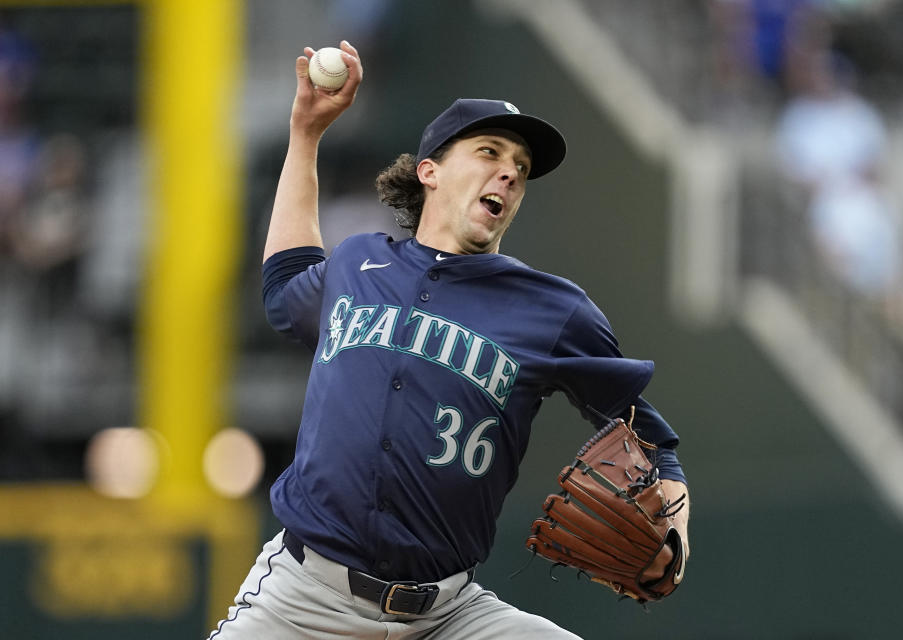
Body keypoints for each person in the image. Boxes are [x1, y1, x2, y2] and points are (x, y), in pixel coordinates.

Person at [209, 41, 690, 640]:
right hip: (304, 603)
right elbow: (285, 286)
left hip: (449, 617)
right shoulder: (360, 263)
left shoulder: (553, 309)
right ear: (428, 172)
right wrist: (305, 135)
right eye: (489, 152)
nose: (510, 172)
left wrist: (673, 528)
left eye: (520, 166)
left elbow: (647, 433)